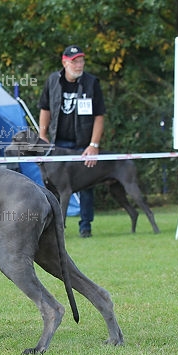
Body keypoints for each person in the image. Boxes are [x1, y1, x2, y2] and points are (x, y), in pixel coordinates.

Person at [38, 45, 105, 238]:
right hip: (58, 145)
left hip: (83, 145)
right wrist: (43, 135)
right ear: (64, 62)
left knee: (86, 187)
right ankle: (54, 227)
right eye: (75, 61)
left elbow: (99, 116)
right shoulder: (53, 81)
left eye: (81, 60)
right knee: (52, 186)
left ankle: (85, 226)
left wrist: (94, 145)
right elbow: (45, 109)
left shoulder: (92, 83)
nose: (79, 64)